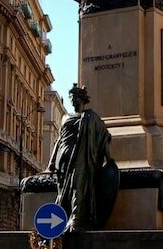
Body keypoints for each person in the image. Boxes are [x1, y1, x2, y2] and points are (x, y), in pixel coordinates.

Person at [47, 84, 116, 231]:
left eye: (75, 97)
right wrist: (52, 162)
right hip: (63, 160)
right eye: (71, 98)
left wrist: (109, 159)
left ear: (83, 99)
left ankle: (76, 220)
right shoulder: (65, 117)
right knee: (63, 191)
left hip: (82, 159)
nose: (73, 100)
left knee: (79, 187)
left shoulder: (91, 117)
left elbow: (103, 137)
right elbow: (59, 140)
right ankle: (62, 219)